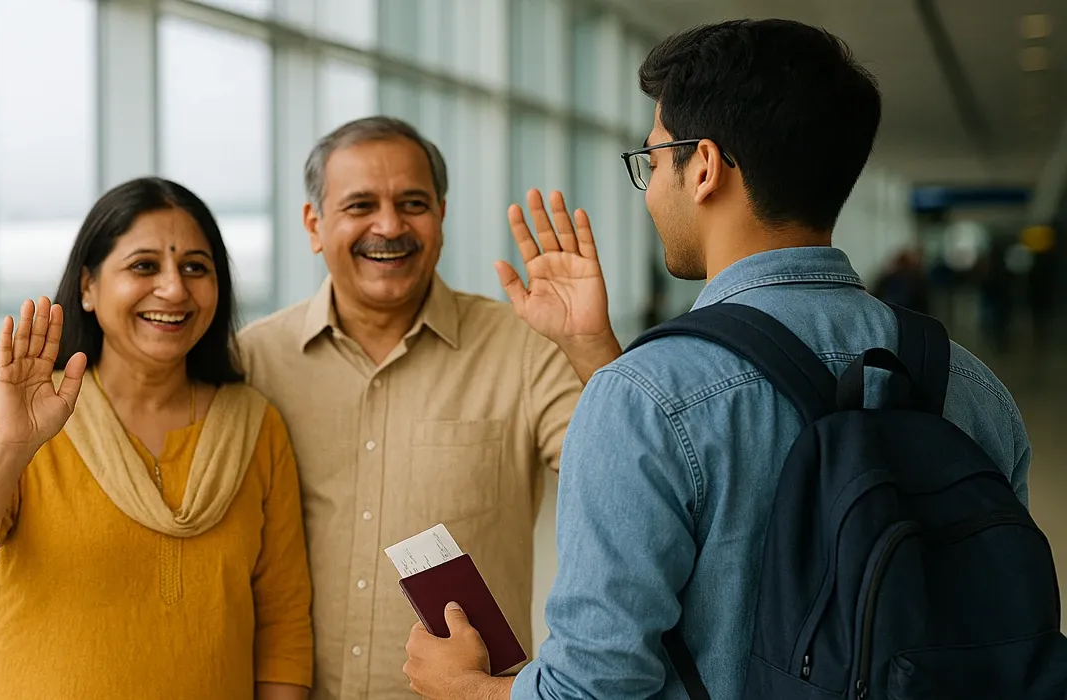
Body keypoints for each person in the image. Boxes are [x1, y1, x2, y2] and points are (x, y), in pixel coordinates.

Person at [402, 19, 1033, 700]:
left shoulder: (646, 398)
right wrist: (596, 352)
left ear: (702, 166)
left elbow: (594, 689)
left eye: (650, 159)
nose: (647, 190)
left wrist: (464, 687)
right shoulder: (973, 387)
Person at [0, 177, 314, 700]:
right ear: (88, 287)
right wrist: (11, 446)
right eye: (143, 266)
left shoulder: (254, 426)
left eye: (195, 268)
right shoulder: (28, 413)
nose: (174, 288)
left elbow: (284, 622)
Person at [236, 116, 593, 699]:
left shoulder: (525, 348)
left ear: (442, 217)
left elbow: (627, 479)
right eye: (359, 205)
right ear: (313, 224)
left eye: (412, 203)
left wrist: (590, 345)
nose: (389, 225)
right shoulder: (256, 360)